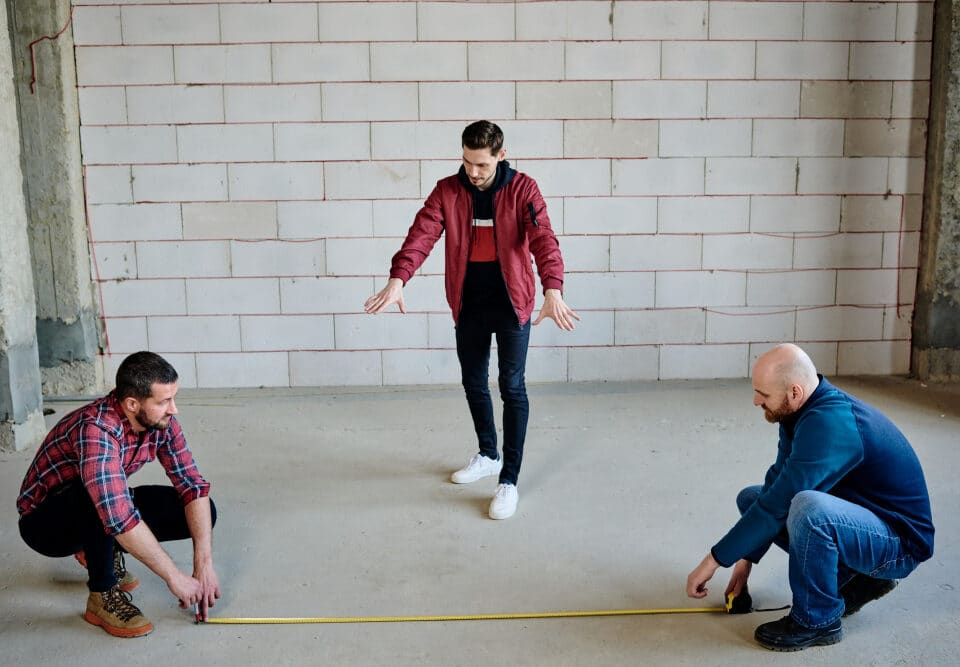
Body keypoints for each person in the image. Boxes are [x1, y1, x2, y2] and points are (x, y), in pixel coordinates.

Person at [364, 120, 578, 520]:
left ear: (501, 155)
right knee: (473, 381)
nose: (473, 172)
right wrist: (399, 279)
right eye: (467, 162)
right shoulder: (448, 190)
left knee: (511, 386)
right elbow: (421, 234)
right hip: (469, 303)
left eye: (481, 164)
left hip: (513, 302)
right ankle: (488, 453)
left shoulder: (522, 189)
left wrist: (553, 288)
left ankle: (508, 480)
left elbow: (543, 238)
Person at [686, 344, 934, 651]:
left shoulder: (830, 424)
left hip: (900, 543)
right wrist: (743, 561)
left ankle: (817, 622)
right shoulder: (799, 412)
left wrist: (712, 561)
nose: (755, 401)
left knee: (808, 508)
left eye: (763, 394)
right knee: (752, 498)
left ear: (793, 391)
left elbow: (783, 502)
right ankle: (859, 578)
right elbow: (776, 485)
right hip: (863, 522)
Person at [17, 351, 220, 638]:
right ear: (132, 403)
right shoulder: (96, 430)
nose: (174, 409)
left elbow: (192, 486)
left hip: (100, 501)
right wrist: (175, 578)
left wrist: (203, 564)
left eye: (173, 398)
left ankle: (100, 548)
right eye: (164, 401)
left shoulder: (160, 421)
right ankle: (102, 596)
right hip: (45, 524)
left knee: (202, 510)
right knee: (98, 498)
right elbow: (117, 514)